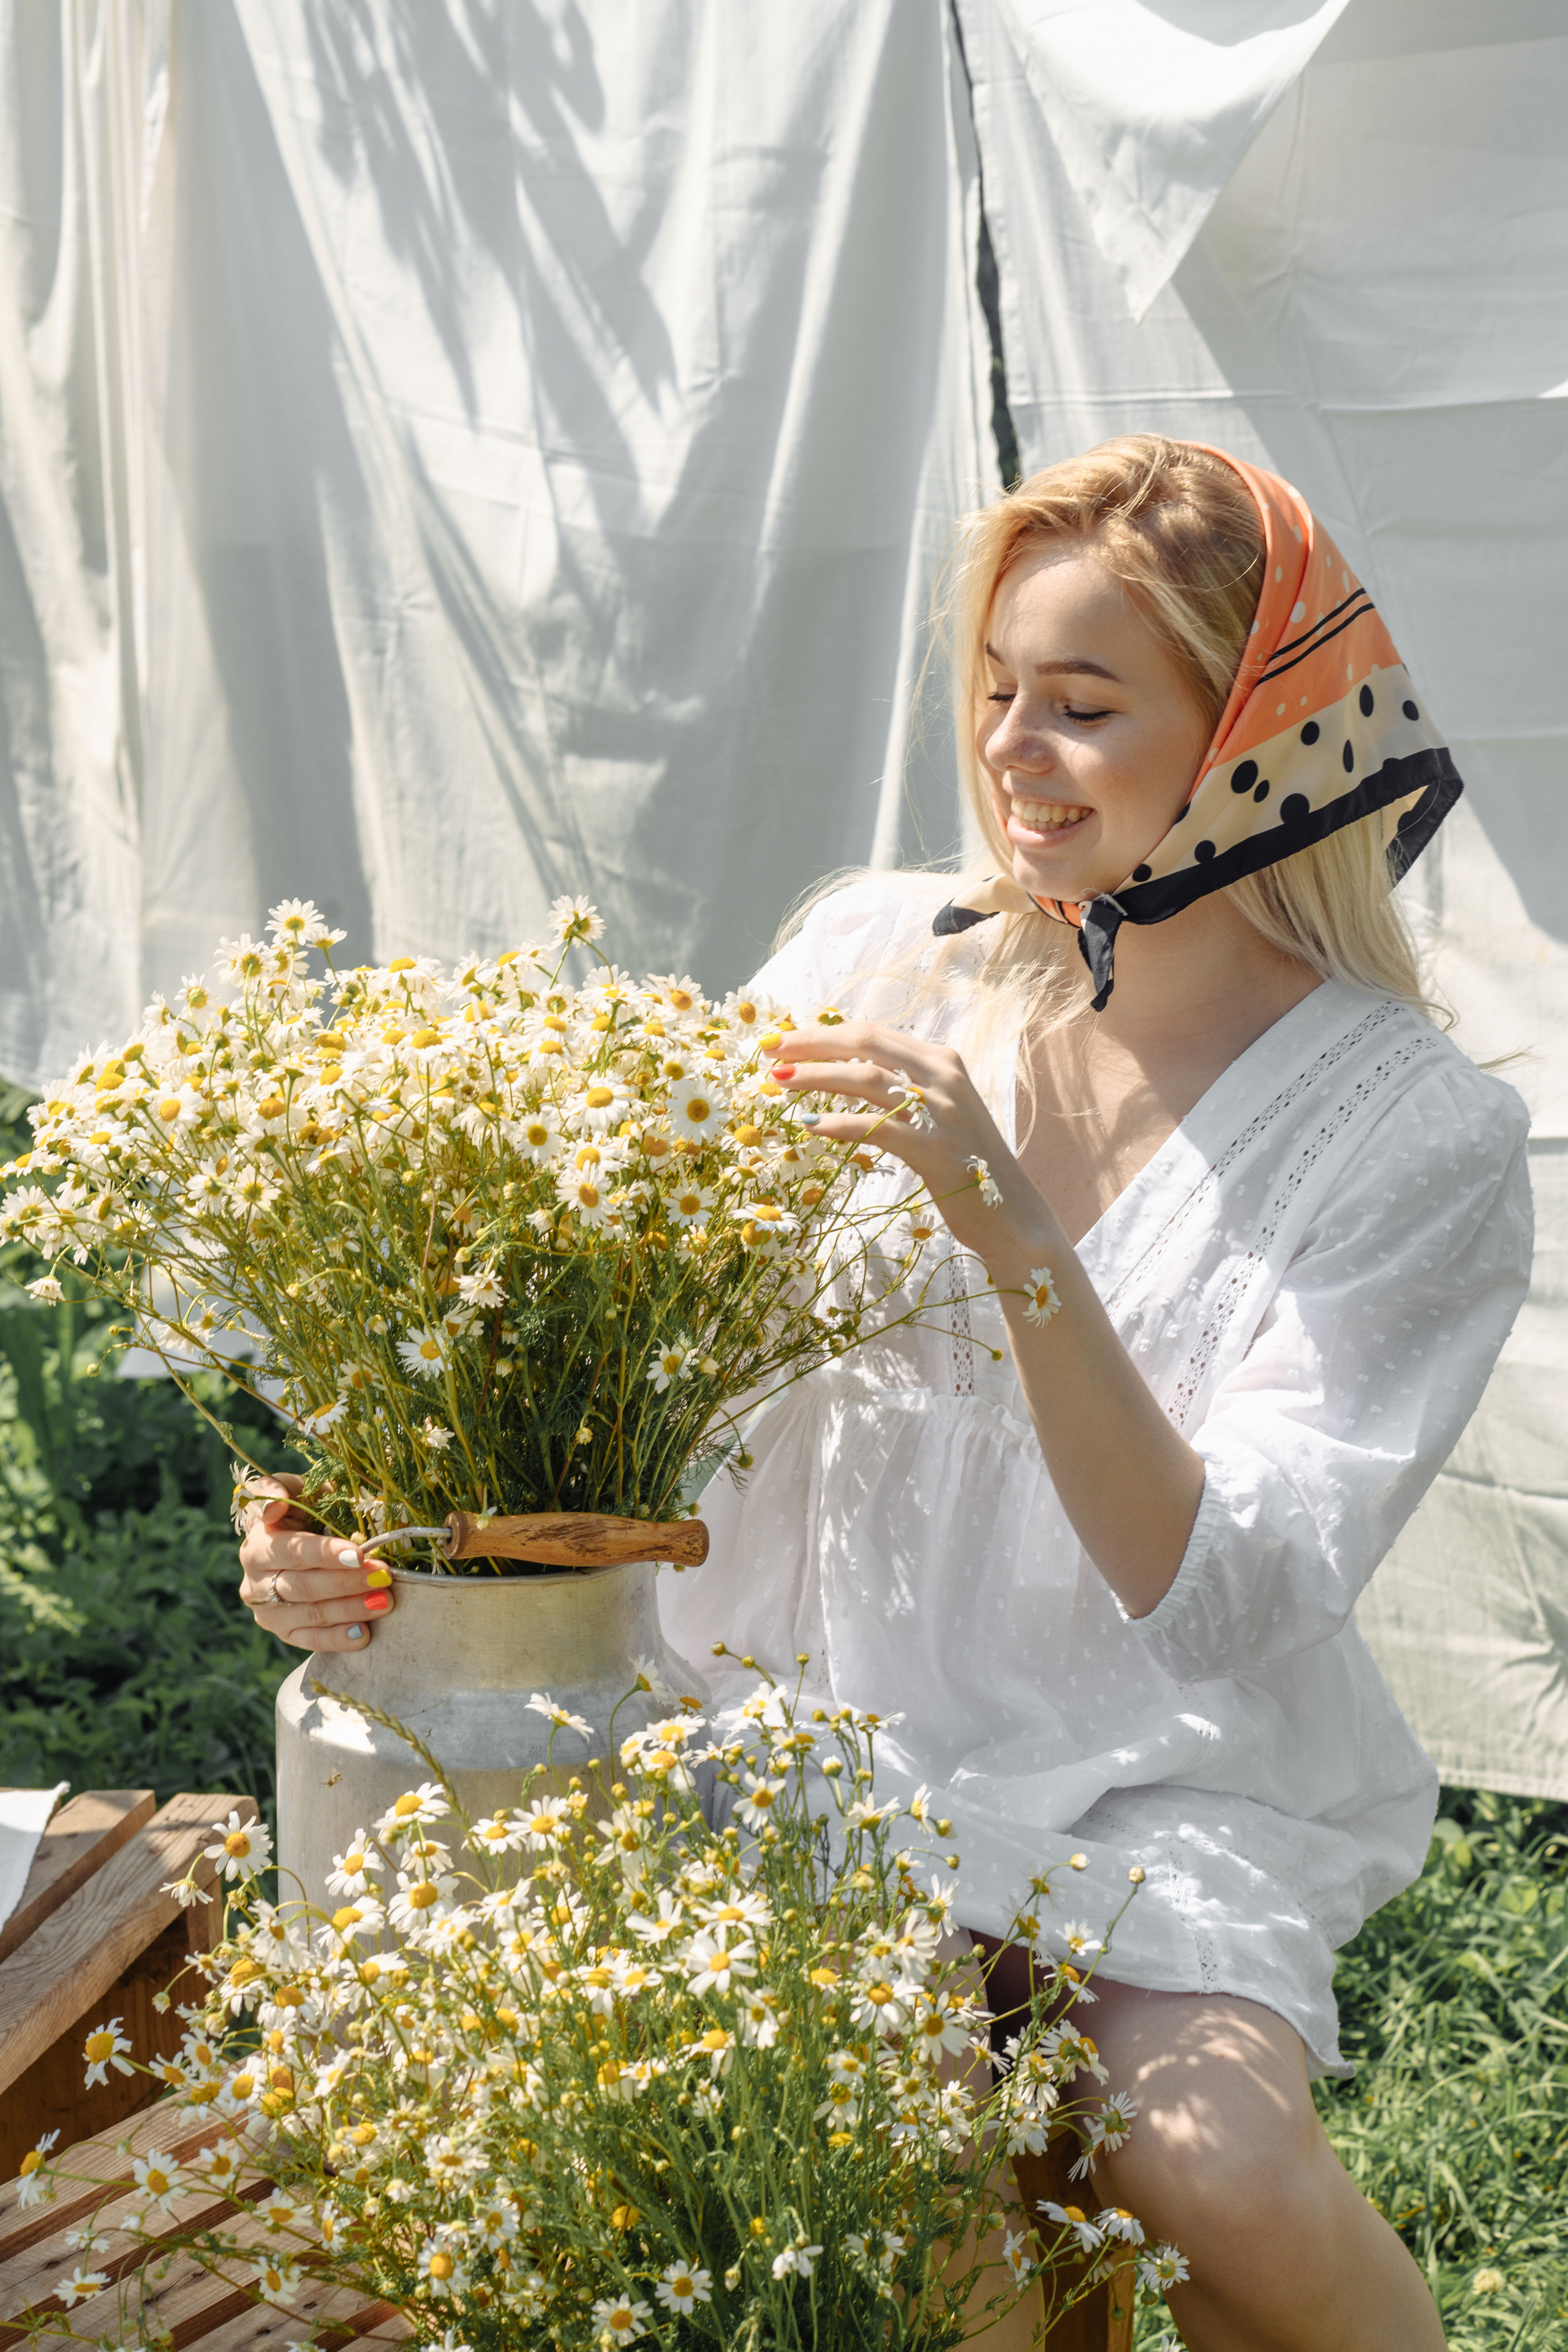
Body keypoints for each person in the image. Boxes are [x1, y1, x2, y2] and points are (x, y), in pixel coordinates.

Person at [239, 438, 1531, 2349]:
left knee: (1219, 2174)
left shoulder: (1415, 1129)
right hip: (811, 1734)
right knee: (902, 2178)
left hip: (1158, 1765)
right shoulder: (883, 964)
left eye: (1085, 707)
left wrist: (1004, 1214)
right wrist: (383, 1541)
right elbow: (603, 1316)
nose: (1013, 748)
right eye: (998, 690)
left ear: (1260, 738)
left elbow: (1225, 1587)